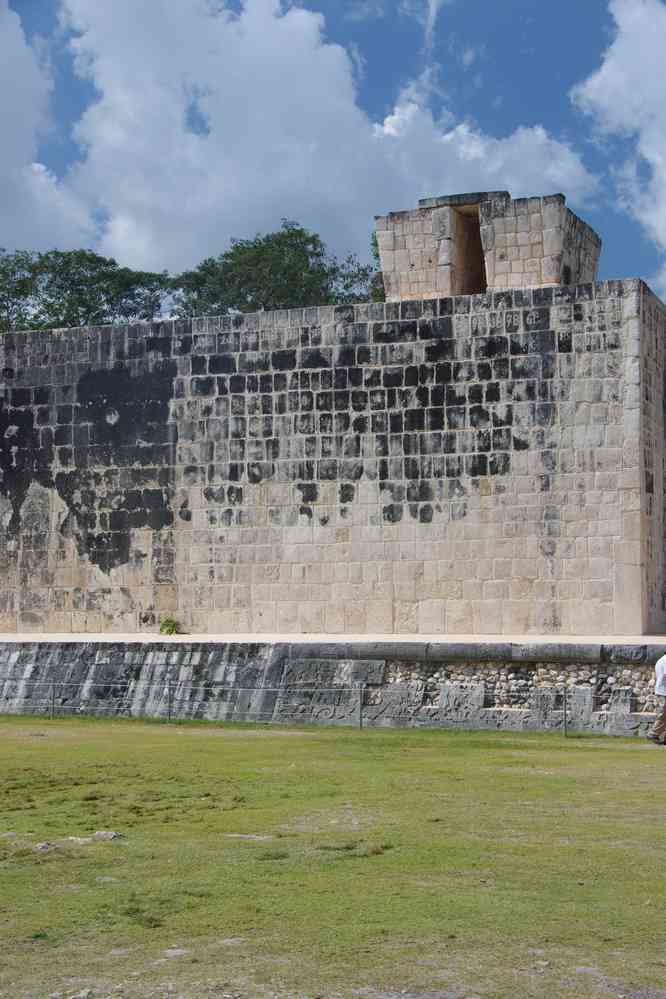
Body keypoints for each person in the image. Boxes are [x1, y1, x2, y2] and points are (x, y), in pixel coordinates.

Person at [648, 653, 666, 744]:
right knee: (663, 714)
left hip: (661, 690)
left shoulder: (660, 659)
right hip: (664, 691)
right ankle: (654, 733)